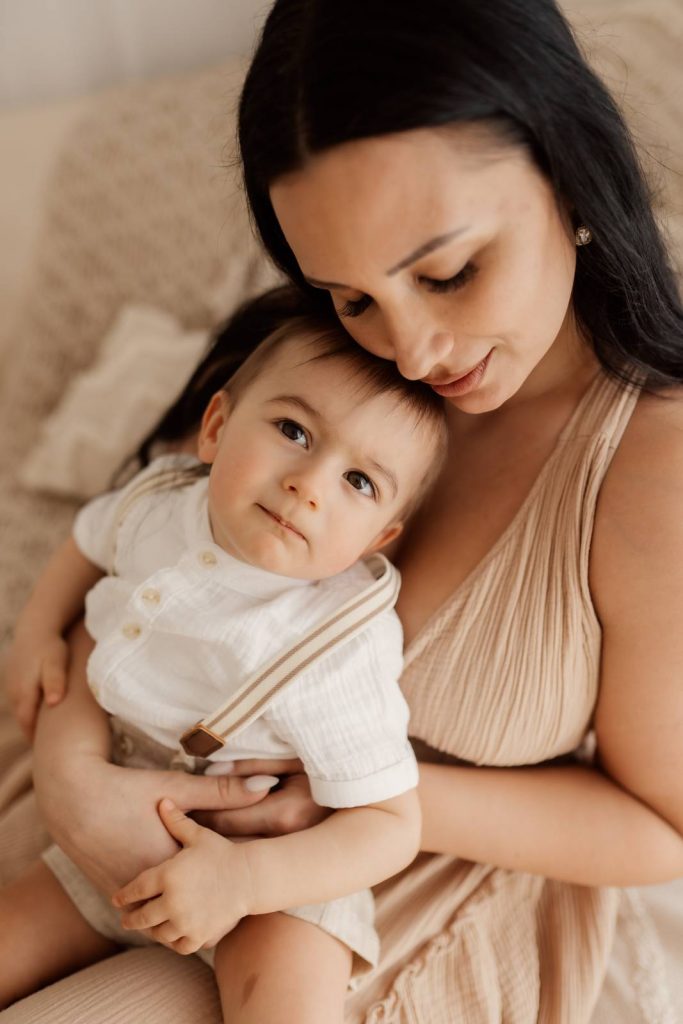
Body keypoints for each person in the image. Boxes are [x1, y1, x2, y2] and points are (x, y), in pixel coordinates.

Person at [1, 1, 682, 1022]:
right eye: (351, 296)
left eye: (449, 273)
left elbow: (659, 829)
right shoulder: (316, 364)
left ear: (568, 171)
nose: (411, 351)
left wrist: (355, 799)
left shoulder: (651, 465)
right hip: (115, 780)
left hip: (376, 897)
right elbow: (151, 572)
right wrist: (72, 775)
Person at [1, 290, 447, 1020]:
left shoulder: (337, 640)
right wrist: (37, 629)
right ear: (215, 427)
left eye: (358, 482)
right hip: (123, 822)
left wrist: (246, 880)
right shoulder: (160, 504)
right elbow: (87, 541)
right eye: (294, 431)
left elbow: (391, 826)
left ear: (376, 540)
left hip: (272, 879)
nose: (308, 485)